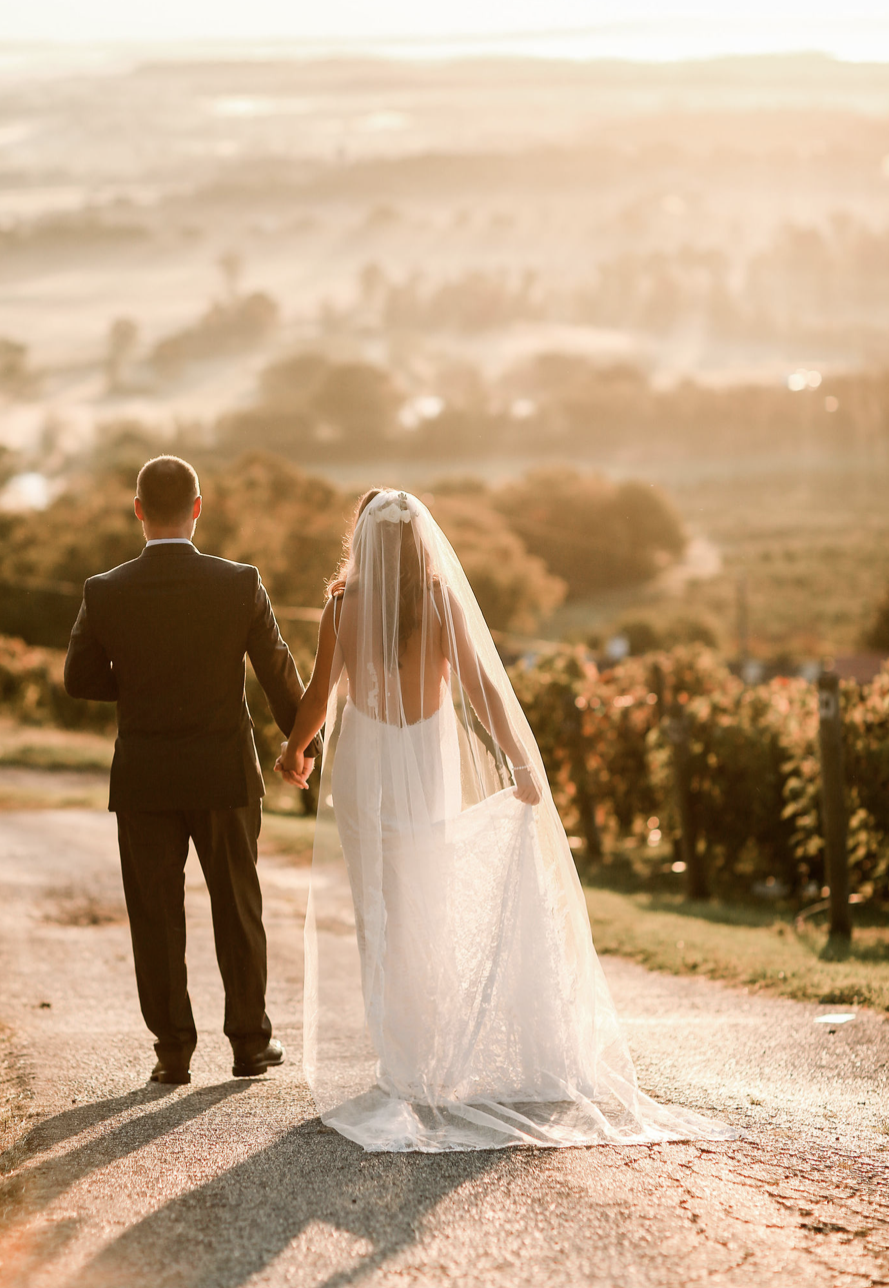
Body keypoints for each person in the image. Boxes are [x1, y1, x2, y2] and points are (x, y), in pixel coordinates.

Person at [277, 488, 728, 1152]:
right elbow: (481, 689)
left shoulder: (342, 606)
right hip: (421, 761)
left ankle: (401, 1062)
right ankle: (427, 1056)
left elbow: (320, 691)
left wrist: (295, 746)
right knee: (424, 904)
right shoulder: (436, 600)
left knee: (378, 911)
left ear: (365, 541)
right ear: (417, 541)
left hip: (366, 764)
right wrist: (519, 760)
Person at [64, 454, 316, 1085]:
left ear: (139, 510)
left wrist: (142, 686)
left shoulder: (106, 589)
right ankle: (251, 1045)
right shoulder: (240, 583)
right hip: (223, 771)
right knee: (237, 905)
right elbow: (278, 671)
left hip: (145, 776)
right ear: (198, 508)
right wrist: (302, 744)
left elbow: (80, 679)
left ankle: (173, 1052)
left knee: (154, 912)